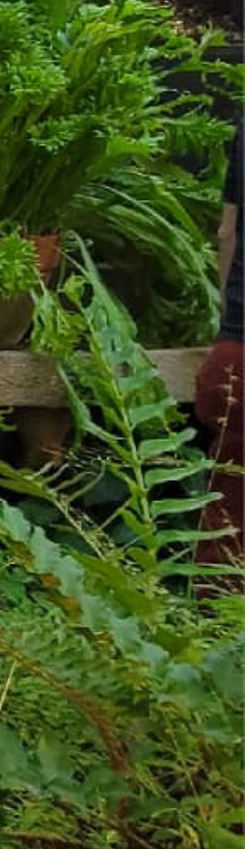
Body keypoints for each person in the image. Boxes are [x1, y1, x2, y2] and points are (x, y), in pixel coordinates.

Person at [195, 122, 243, 563]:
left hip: (236, 358)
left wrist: (232, 318)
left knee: (228, 516)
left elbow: (227, 234)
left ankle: (212, 624)